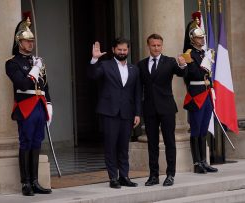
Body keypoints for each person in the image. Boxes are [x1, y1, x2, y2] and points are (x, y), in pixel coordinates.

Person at [5, 17, 52, 196]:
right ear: (19, 42)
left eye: (32, 41)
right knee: (25, 142)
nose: (30, 44)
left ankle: (34, 181)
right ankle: (25, 183)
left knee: (37, 142)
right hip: (25, 106)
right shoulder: (12, 63)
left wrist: (49, 105)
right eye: (27, 40)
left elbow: (46, 86)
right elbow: (22, 84)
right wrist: (34, 69)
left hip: (39, 106)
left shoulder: (37, 61)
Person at [88, 38, 141, 189]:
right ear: (113, 50)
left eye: (125, 50)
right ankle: (113, 178)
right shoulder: (105, 65)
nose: (122, 52)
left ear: (128, 50)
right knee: (111, 146)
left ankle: (124, 176)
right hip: (109, 112)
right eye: (120, 50)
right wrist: (94, 59)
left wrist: (137, 113)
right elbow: (93, 76)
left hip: (127, 113)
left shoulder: (134, 69)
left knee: (124, 147)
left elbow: (137, 93)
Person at [137, 34, 186, 187]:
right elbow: (139, 89)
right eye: (153, 45)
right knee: (152, 143)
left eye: (159, 45)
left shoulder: (170, 62)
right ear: (148, 46)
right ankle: (153, 176)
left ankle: (170, 174)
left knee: (169, 142)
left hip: (167, 108)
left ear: (162, 46)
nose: (156, 48)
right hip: (149, 109)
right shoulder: (141, 64)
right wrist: (138, 111)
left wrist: (183, 65)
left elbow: (182, 73)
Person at [183, 25, 218, 174]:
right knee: (196, 130)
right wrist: (200, 65)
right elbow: (193, 75)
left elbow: (208, 76)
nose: (202, 39)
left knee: (204, 130)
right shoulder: (188, 55)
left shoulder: (205, 53)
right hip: (196, 95)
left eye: (202, 37)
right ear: (192, 39)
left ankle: (204, 161)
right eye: (199, 37)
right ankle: (197, 163)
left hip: (207, 94)